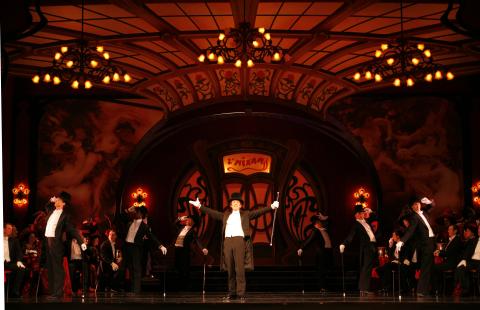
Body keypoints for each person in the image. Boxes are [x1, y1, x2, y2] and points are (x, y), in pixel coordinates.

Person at [189, 192, 279, 301]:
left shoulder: (246, 214)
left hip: (239, 241)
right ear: (230, 205)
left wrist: (271, 206)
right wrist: (200, 206)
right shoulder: (225, 215)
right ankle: (232, 293)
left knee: (239, 268)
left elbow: (259, 212)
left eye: (238, 202)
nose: (235, 203)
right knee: (230, 268)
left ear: (240, 205)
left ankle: (241, 294)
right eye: (233, 202)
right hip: (227, 241)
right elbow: (212, 213)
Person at [44, 191, 87, 299]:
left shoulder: (65, 216)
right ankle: (53, 292)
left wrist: (81, 242)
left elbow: (72, 230)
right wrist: (51, 200)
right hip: (47, 242)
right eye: (56, 199)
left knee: (57, 268)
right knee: (50, 267)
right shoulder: (51, 211)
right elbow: (46, 206)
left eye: (59, 200)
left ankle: (58, 293)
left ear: (63, 204)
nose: (56, 200)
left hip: (56, 243)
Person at [122, 205, 167, 294]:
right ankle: (132, 290)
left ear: (140, 214)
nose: (134, 213)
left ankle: (136, 291)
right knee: (130, 269)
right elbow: (120, 218)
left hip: (136, 249)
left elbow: (152, 237)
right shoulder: (129, 223)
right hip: (127, 247)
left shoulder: (144, 226)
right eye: (134, 212)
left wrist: (160, 246)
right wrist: (127, 210)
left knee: (137, 269)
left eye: (137, 212)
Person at [396, 196, 436, 297]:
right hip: (425, 244)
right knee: (425, 267)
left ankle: (425, 290)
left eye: (418, 203)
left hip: (431, 242)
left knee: (429, 267)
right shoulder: (414, 217)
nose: (417, 205)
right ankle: (421, 290)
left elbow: (432, 206)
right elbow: (410, 231)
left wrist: (429, 202)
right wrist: (401, 241)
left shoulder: (424, 212)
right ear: (412, 207)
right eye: (414, 204)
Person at [339, 204, 377, 295]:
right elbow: (350, 236)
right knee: (366, 268)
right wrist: (344, 244)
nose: (363, 214)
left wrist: (371, 211)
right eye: (361, 213)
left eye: (363, 213)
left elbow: (376, 218)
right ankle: (364, 288)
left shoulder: (366, 221)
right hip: (366, 248)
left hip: (372, 246)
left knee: (369, 267)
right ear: (356, 215)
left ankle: (364, 288)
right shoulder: (356, 224)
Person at [297, 213, 332, 293]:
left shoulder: (325, 229)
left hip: (328, 252)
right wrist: (301, 248)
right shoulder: (315, 231)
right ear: (316, 223)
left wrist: (325, 217)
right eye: (319, 222)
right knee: (321, 270)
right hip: (321, 253)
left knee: (327, 270)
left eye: (320, 221)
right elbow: (309, 240)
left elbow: (331, 222)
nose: (321, 223)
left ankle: (325, 286)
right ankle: (322, 287)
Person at [173, 215, 208, 290]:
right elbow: (175, 223)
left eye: (189, 220)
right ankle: (179, 284)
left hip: (184, 251)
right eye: (187, 219)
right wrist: (180, 218)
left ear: (193, 222)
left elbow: (197, 240)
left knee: (184, 268)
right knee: (177, 266)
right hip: (177, 249)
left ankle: (185, 285)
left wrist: (203, 248)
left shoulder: (192, 231)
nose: (187, 220)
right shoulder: (181, 227)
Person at [432, 224, 462, 295]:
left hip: (452, 263)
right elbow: (446, 251)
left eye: (450, 229)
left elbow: (450, 252)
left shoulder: (457, 240)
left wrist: (439, 253)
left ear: (455, 231)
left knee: (434, 268)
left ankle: (437, 289)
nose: (448, 231)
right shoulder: (450, 240)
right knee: (434, 266)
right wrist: (439, 251)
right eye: (448, 229)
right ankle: (439, 288)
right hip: (447, 262)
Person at [455, 223, 479, 296]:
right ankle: (466, 290)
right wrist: (464, 260)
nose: (479, 230)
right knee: (461, 268)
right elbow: (468, 252)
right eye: (478, 229)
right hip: (472, 261)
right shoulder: (474, 240)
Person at [4, 223, 26, 298]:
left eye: (11, 229)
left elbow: (19, 253)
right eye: (9, 228)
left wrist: (19, 261)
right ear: (4, 229)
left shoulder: (14, 241)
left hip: (9, 263)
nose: (11, 230)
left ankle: (15, 291)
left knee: (21, 269)